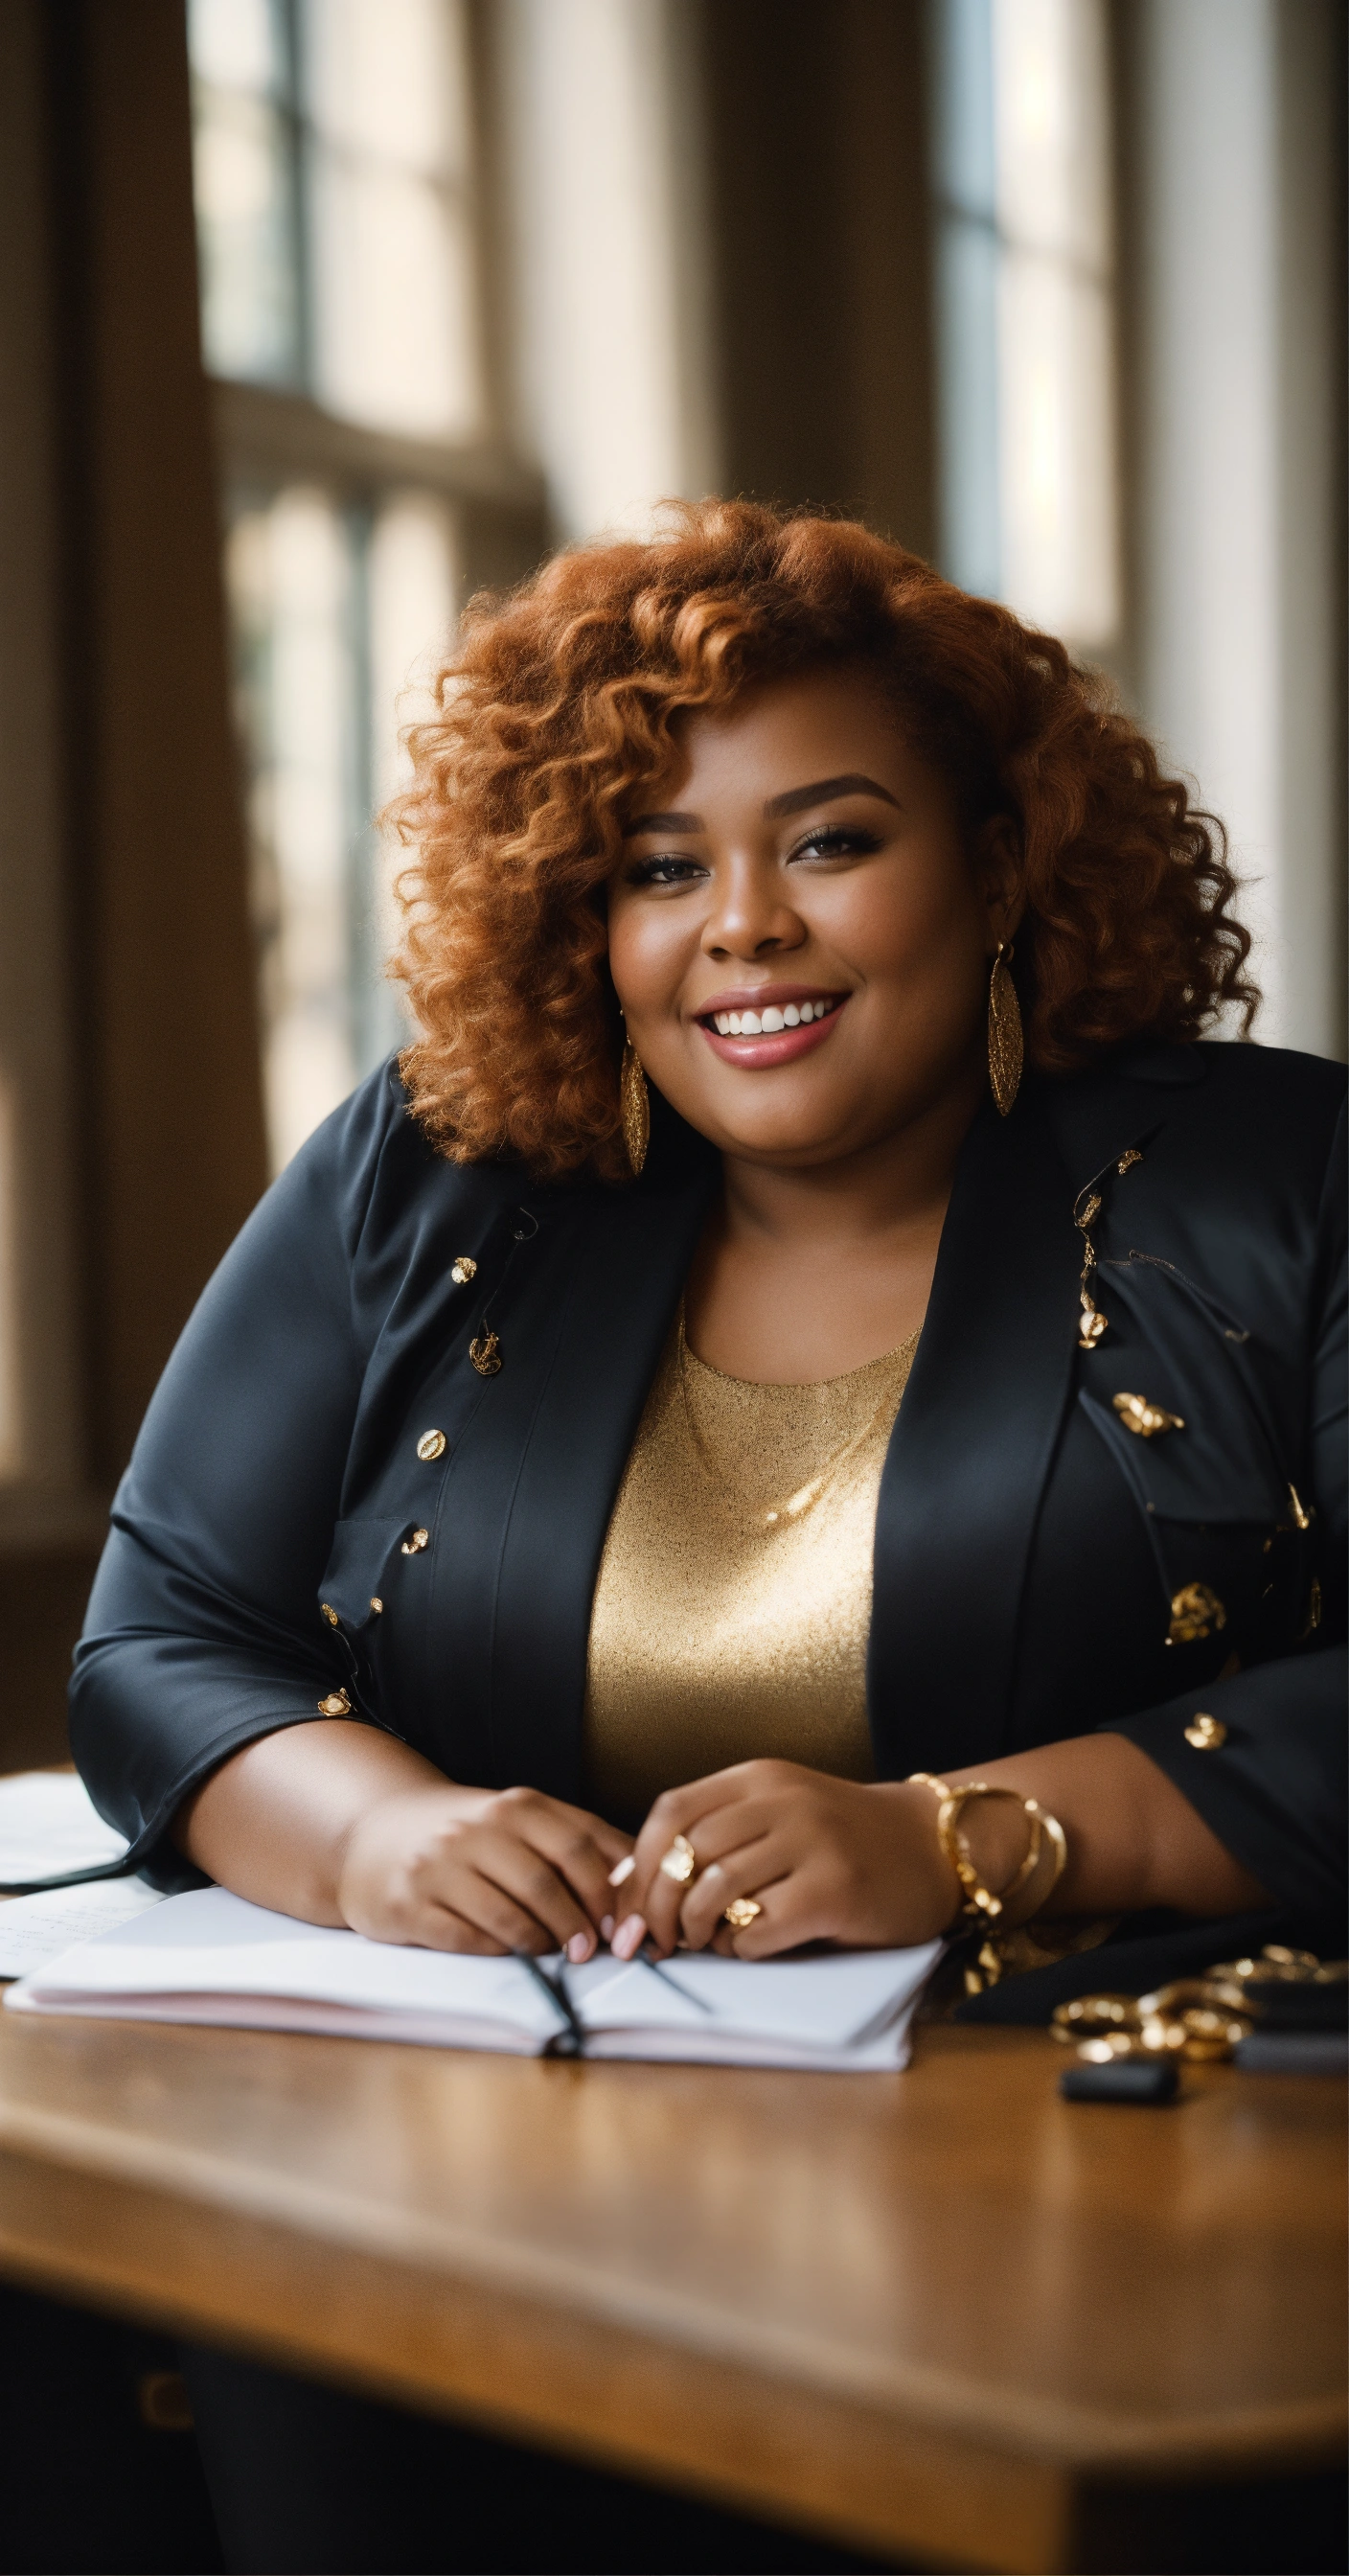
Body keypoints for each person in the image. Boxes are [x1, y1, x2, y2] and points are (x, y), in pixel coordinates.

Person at [70, 502, 1344, 2569]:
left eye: (828, 842)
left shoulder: (1279, 1182)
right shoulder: (432, 1172)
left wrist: (956, 1833)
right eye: (660, 867)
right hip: (463, 2196)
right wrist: (379, 1834)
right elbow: (163, 1638)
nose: (736, 924)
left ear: (1000, 859)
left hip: (1071, 2220)